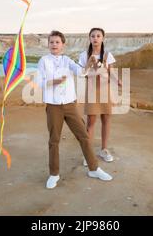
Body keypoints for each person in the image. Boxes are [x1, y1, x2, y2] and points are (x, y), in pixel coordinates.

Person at [37, 30, 113, 189]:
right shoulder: (43, 61)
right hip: (53, 106)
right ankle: (54, 174)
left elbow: (81, 72)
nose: (54, 45)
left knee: (83, 136)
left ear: (63, 45)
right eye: (51, 42)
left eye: (57, 42)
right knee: (54, 140)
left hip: (70, 105)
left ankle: (94, 169)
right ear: (48, 44)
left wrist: (89, 64)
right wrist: (57, 81)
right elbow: (40, 83)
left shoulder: (68, 60)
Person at [78, 28, 119, 166]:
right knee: (91, 122)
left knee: (106, 119)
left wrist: (117, 81)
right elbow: (82, 73)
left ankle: (104, 150)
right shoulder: (84, 55)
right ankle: (88, 154)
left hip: (105, 90)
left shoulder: (108, 55)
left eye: (98, 36)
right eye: (93, 36)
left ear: (102, 38)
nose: (95, 38)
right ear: (89, 38)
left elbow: (111, 72)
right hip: (91, 90)